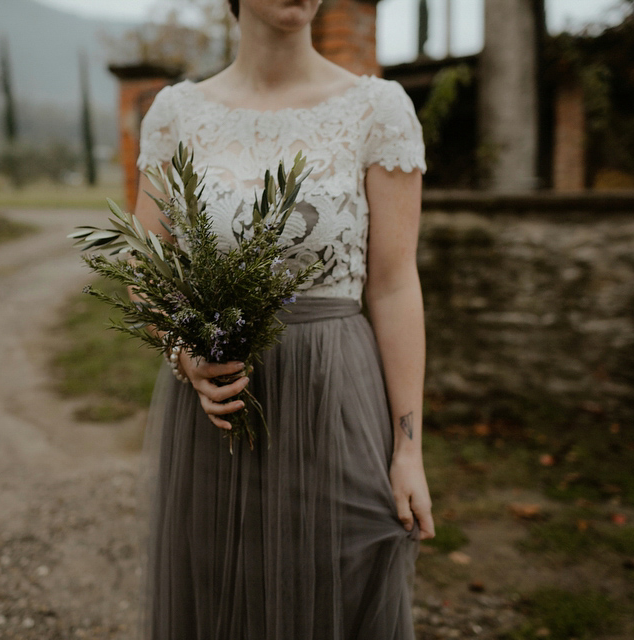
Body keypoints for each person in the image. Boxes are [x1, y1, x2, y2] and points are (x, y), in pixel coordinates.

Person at [132, 0, 435, 637]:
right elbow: (147, 274)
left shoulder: (377, 110)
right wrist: (185, 354)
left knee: (339, 588)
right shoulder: (177, 115)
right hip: (219, 405)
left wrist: (408, 449)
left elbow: (393, 284)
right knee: (220, 591)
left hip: (334, 395)